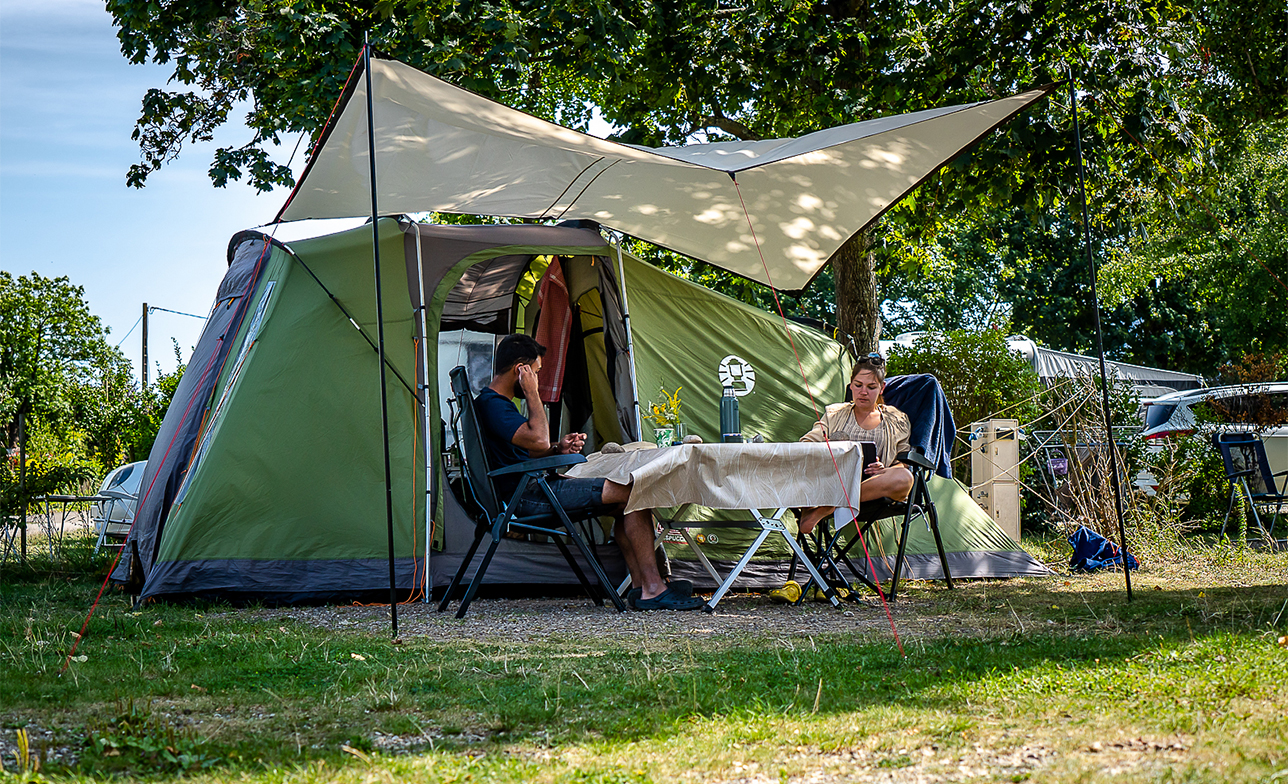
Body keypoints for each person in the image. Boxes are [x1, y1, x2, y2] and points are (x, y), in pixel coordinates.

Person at [473, 334, 702, 611]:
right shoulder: (495, 405)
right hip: (528, 497)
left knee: (623, 502)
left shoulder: (491, 403)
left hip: (528, 490)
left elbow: (527, 450)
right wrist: (533, 395)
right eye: (535, 372)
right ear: (519, 370)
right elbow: (538, 440)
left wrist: (558, 448)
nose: (537, 379)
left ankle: (643, 586)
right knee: (634, 492)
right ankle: (653, 588)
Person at [770, 353, 914, 603]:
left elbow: (902, 461)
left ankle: (824, 510)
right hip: (834, 482)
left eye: (871, 387)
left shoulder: (896, 420)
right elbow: (810, 440)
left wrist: (884, 468)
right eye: (858, 385)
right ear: (850, 385)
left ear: (882, 387)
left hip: (874, 486)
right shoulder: (836, 413)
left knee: (904, 477)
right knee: (802, 465)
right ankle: (829, 504)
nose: (863, 392)